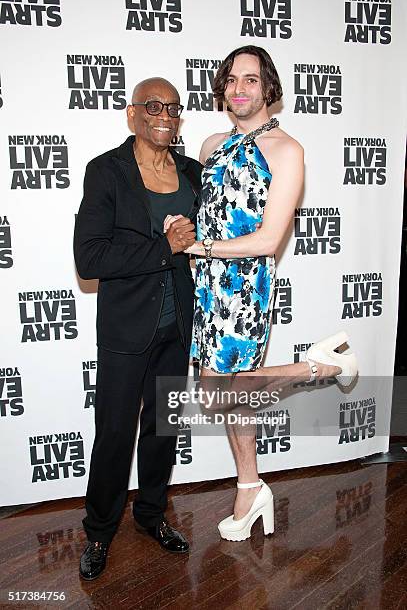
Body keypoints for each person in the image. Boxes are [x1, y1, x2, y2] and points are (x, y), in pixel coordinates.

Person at [180, 46, 358, 542]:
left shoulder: (287, 150)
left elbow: (267, 239)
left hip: (243, 288)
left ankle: (320, 366)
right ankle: (251, 486)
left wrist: (202, 245)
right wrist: (185, 234)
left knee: (219, 398)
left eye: (251, 79)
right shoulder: (211, 144)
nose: (239, 88)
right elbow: (203, 212)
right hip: (206, 285)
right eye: (232, 79)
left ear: (268, 88)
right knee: (235, 401)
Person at [74, 77, 202, 580]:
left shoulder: (193, 173)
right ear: (132, 114)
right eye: (153, 105)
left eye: (173, 107)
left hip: (178, 327)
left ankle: (151, 516)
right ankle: (100, 532)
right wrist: (163, 247)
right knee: (113, 435)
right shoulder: (106, 172)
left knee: (161, 429)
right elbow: (89, 258)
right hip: (127, 331)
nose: (164, 115)